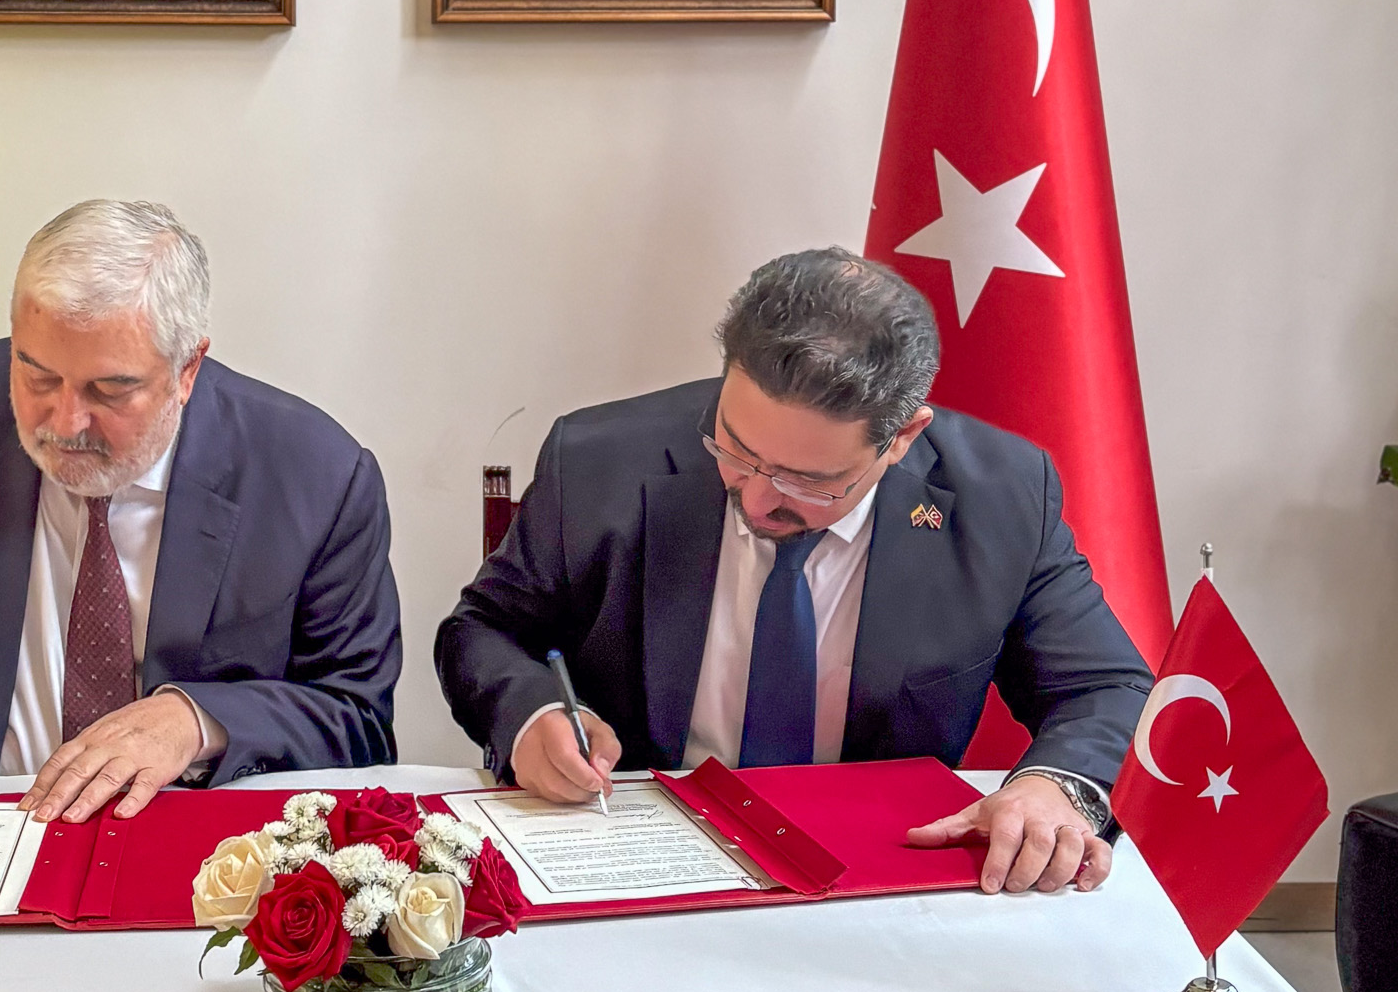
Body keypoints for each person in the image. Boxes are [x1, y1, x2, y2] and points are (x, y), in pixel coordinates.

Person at [436, 248, 1155, 896]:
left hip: (875, 869)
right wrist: (530, 717)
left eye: (808, 481)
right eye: (737, 449)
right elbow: (484, 630)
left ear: (901, 438)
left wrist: (1052, 788)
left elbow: (1103, 685)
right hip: (637, 847)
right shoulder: (600, 460)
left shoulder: (1000, 495)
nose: (754, 497)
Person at [0, 200, 402, 825]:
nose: (66, 423)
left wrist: (196, 722)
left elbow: (356, 716)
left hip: (194, 843)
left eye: (109, 390)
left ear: (188, 369)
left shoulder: (315, 476)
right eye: (38, 376)